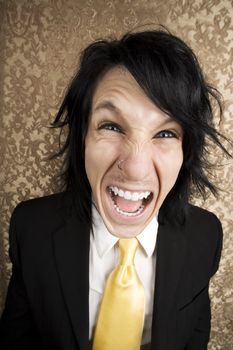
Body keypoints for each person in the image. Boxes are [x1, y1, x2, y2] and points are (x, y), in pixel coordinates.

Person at [0, 29, 229, 350]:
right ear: (83, 138)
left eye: (165, 133)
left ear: (185, 151)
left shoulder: (206, 236)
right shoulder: (31, 228)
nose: (136, 168)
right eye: (111, 126)